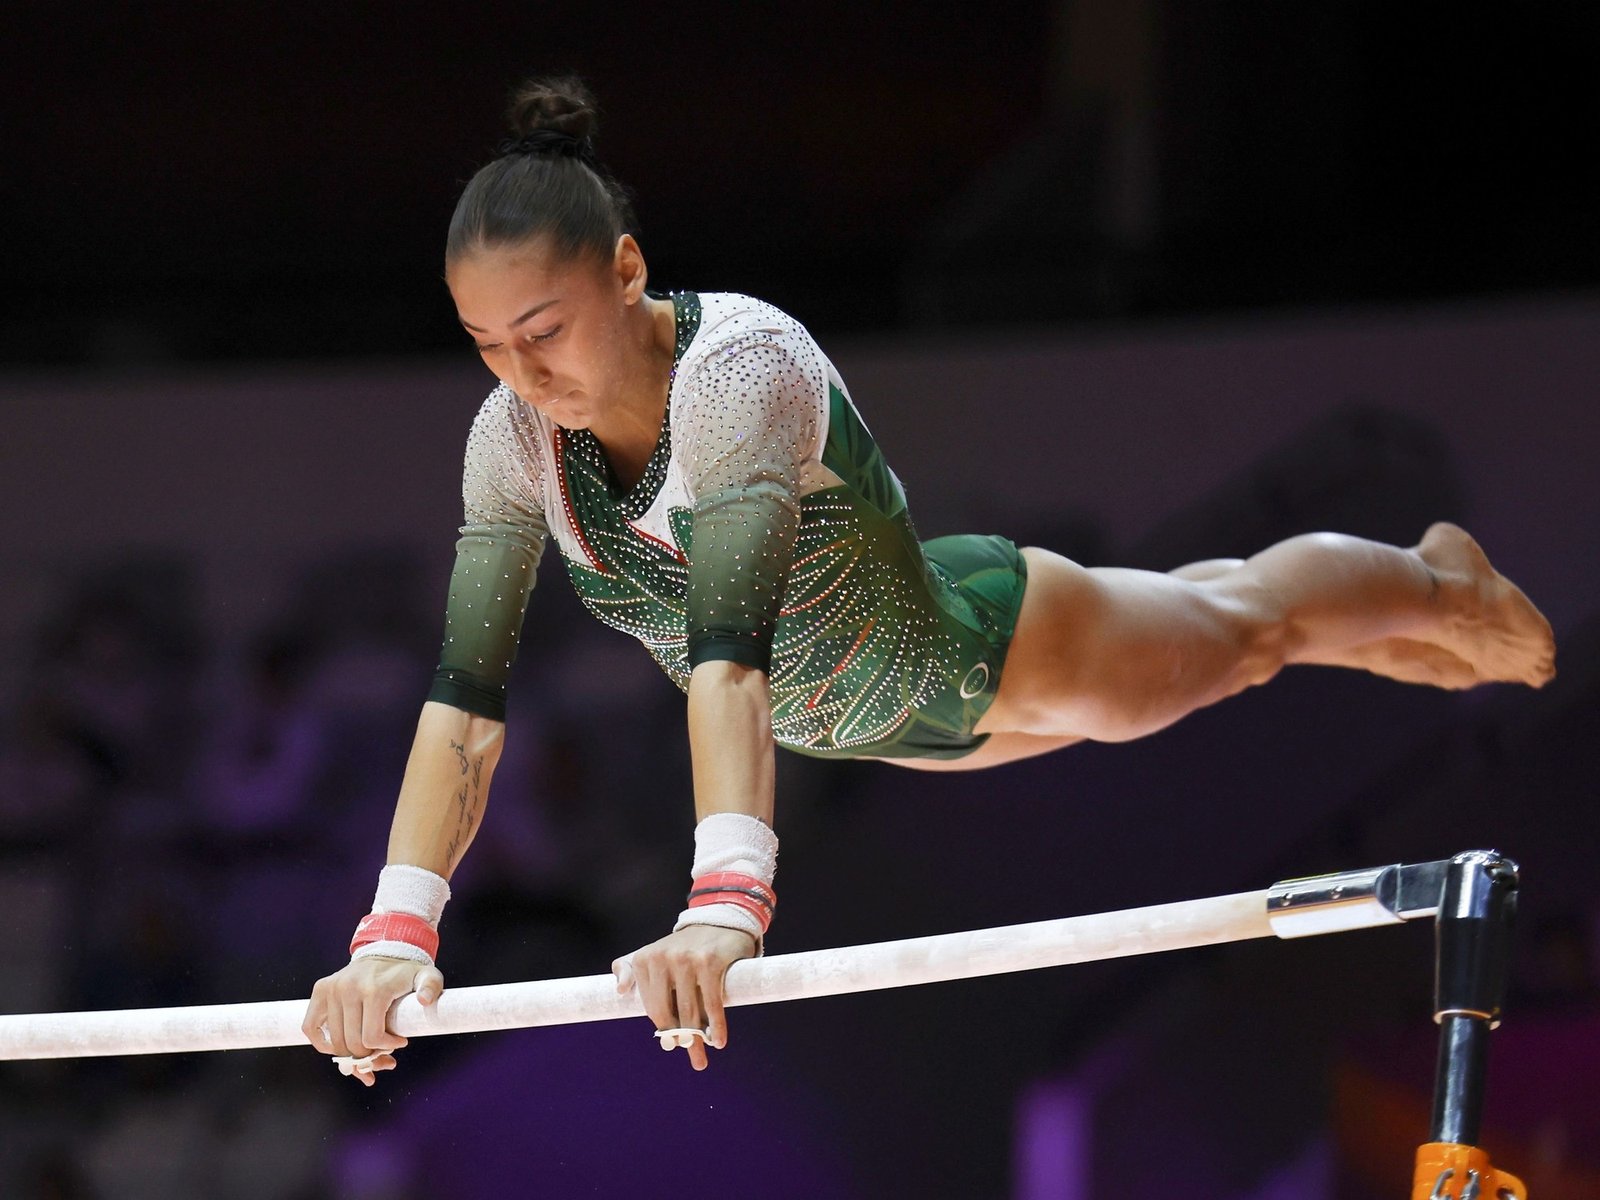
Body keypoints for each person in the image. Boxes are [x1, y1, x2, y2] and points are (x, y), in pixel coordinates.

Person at [301, 76, 1556, 1083]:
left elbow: (729, 661)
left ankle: (1429, 581)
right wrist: (394, 935)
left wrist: (724, 905)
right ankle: (1384, 618)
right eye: (486, 344)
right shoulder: (510, 441)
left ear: (626, 271)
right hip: (897, 726)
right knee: (1225, 629)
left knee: (1243, 634)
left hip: (987, 646)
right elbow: (464, 706)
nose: (524, 375)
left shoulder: (736, 372)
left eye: (544, 330)